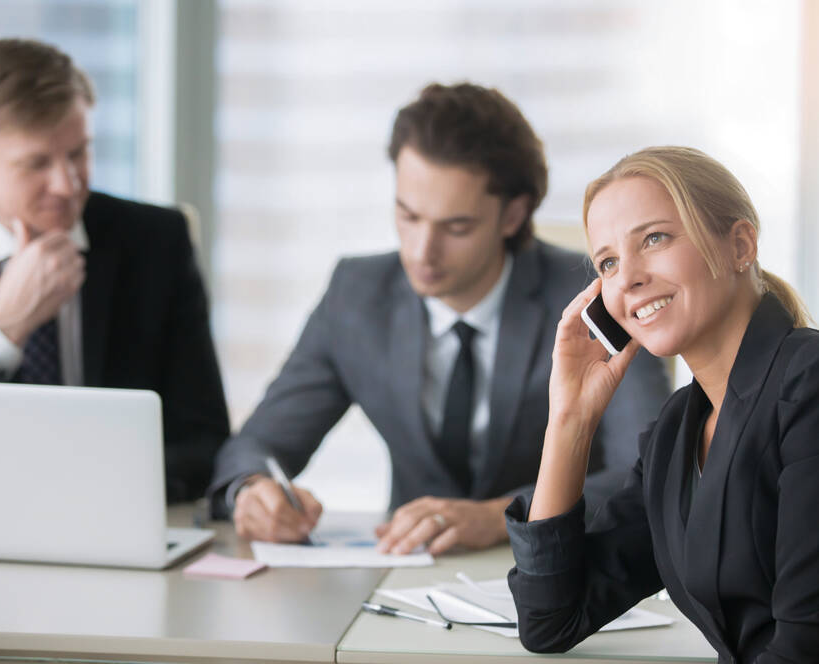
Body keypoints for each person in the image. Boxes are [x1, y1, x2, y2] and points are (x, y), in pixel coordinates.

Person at [209, 82, 669, 555]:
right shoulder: (357, 295)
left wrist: (499, 517)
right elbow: (256, 445)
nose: (421, 250)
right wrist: (252, 490)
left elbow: (650, 471)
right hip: (404, 579)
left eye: (456, 227)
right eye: (408, 216)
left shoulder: (590, 300)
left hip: (561, 575)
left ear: (512, 216)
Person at [506, 146, 819, 663]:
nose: (627, 277)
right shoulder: (677, 432)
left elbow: (805, 644)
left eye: (654, 239)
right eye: (607, 262)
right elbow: (550, 620)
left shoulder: (806, 387)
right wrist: (570, 420)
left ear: (740, 245)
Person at [0, 38, 229, 503]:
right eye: (36, 163)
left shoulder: (157, 241)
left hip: (113, 518)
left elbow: (204, 440)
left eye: (78, 153)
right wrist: (0, 327)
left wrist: (76, 488)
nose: (67, 185)